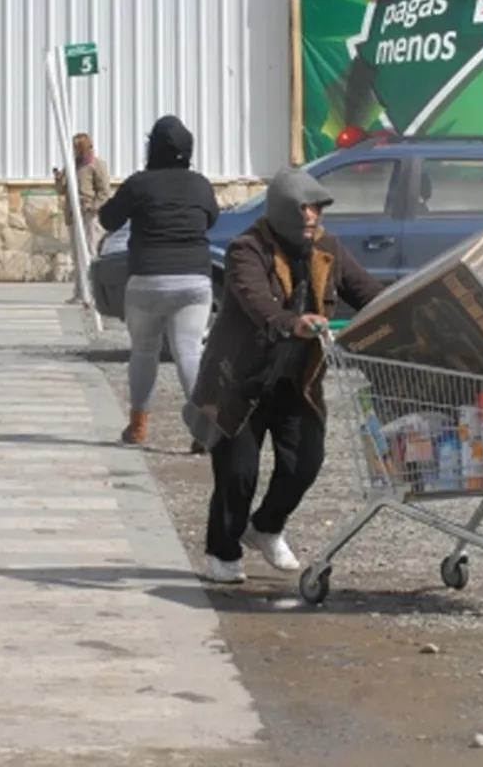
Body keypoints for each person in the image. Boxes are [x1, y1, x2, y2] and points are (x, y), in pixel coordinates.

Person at [185, 167, 383, 584]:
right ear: (282, 210)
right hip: (242, 380)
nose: (311, 217)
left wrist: (402, 306)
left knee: (306, 462)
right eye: (303, 209)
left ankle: (267, 527)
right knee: (238, 473)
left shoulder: (329, 249)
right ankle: (222, 552)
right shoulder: (247, 250)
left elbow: (366, 292)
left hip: (298, 379)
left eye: (316, 209)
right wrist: (290, 322)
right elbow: (257, 301)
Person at [98, 115, 219, 450]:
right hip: (194, 280)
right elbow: (211, 217)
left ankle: (138, 425)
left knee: (144, 350)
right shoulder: (200, 184)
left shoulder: (140, 183)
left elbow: (109, 219)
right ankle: (204, 429)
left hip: (147, 279)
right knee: (189, 351)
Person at [54, 132, 111, 305]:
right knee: (77, 254)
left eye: (76, 148)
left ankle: (94, 292)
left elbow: (104, 191)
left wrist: (93, 207)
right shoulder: (71, 165)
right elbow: (62, 190)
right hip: (73, 213)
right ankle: (79, 291)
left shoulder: (96, 165)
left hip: (88, 213)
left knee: (90, 252)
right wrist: (58, 179)